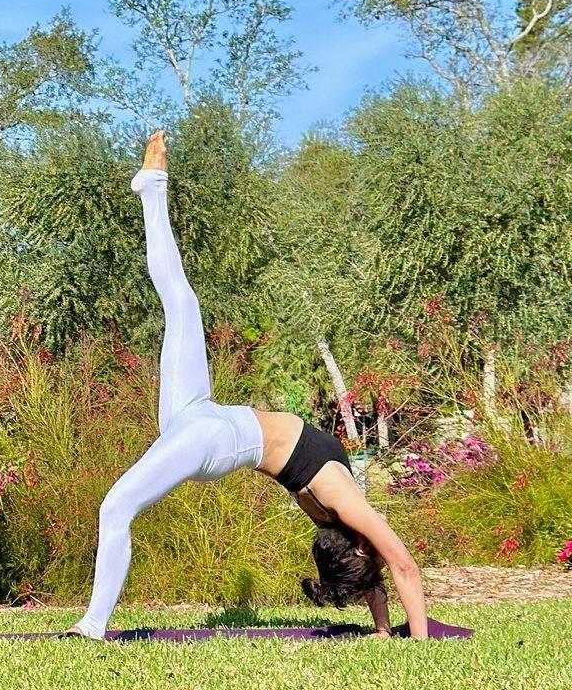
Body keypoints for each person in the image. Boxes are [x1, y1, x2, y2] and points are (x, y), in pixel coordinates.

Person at [69, 130, 428, 641]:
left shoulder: (344, 506)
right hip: (201, 411)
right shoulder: (350, 517)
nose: (374, 545)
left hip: (213, 440)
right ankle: (153, 187)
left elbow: (398, 566)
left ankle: (92, 626)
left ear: (359, 547)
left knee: (115, 508)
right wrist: (389, 631)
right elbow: (391, 566)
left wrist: (409, 640)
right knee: (183, 305)